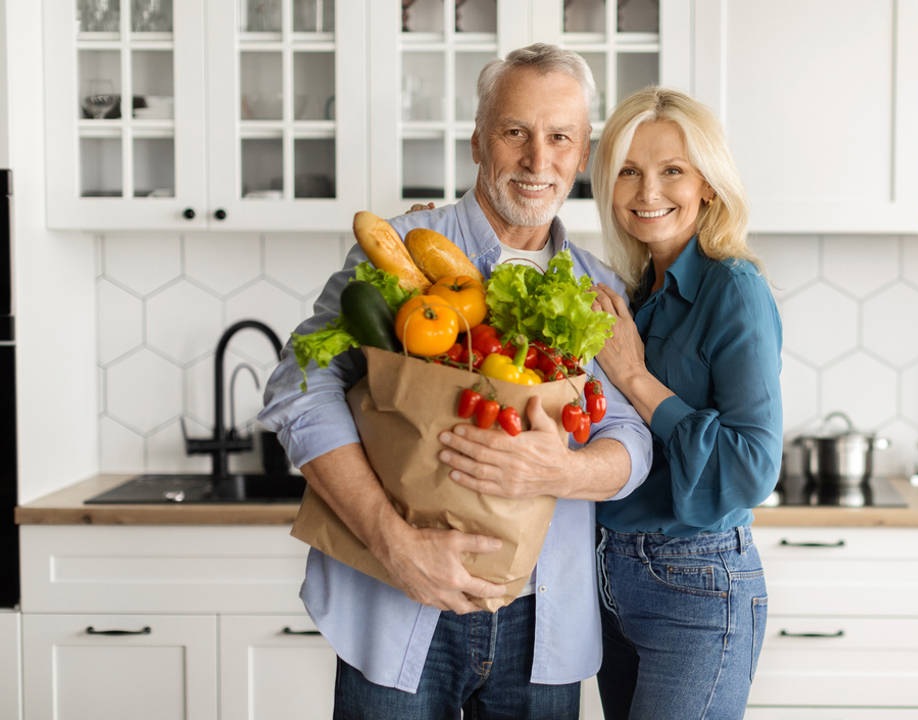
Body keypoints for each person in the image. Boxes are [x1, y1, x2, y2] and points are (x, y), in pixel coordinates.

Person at [258, 44, 652, 719]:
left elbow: (630, 437)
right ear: (477, 140)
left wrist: (557, 473)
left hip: (544, 620)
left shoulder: (601, 287)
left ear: (582, 154)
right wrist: (394, 542)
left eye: (559, 137)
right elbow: (298, 390)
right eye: (514, 132)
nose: (537, 160)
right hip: (395, 598)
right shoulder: (403, 249)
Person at [590, 88, 784, 718]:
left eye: (671, 170)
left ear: (707, 183)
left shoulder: (734, 287)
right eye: (629, 171)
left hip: (696, 581)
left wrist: (636, 378)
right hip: (610, 574)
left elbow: (754, 465)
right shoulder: (635, 292)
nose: (648, 192)